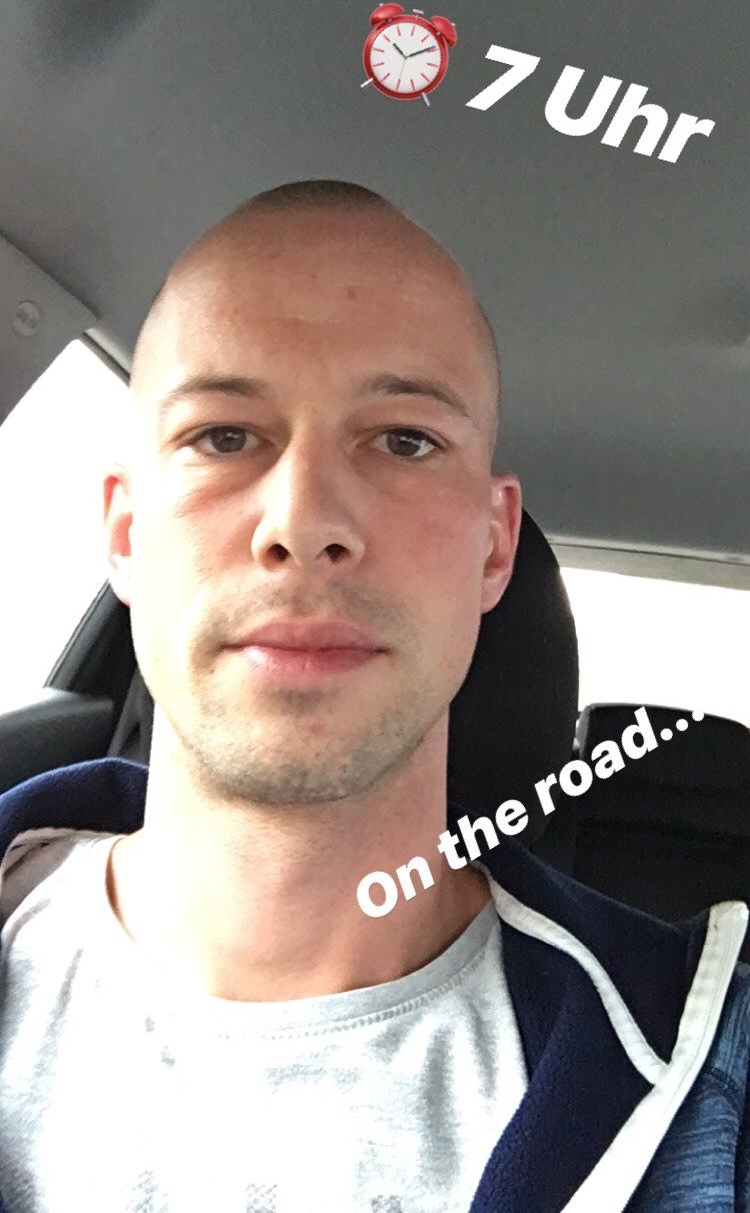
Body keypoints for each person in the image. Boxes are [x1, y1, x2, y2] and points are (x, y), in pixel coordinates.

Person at [0, 179, 746, 1213]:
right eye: (224, 436)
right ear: (126, 532)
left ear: (494, 548)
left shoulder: (709, 1087)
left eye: (403, 440)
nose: (304, 521)